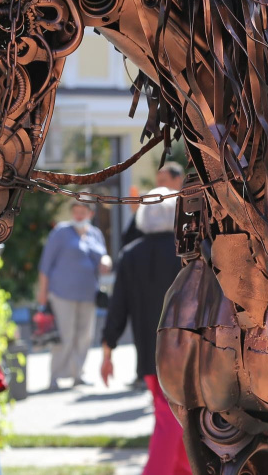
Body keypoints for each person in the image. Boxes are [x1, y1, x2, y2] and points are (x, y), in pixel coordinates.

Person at [100, 189, 189, 475]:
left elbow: (117, 308)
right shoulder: (187, 252)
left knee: (172, 417)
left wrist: (107, 351)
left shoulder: (129, 254)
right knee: (174, 419)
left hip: (150, 351)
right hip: (187, 349)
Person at [37, 201, 111, 390]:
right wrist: (42, 293)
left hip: (88, 293)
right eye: (75, 211)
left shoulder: (95, 234)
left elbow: (103, 255)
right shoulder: (61, 232)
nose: (78, 215)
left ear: (90, 213)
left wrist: (106, 261)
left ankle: (78, 374)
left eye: (82, 212)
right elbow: (45, 265)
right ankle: (55, 376)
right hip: (62, 293)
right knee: (64, 335)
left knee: (84, 336)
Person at [120, 162, 185, 248]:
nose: (158, 186)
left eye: (162, 181)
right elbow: (130, 241)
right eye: (157, 182)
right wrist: (137, 214)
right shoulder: (151, 207)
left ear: (177, 180)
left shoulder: (191, 206)